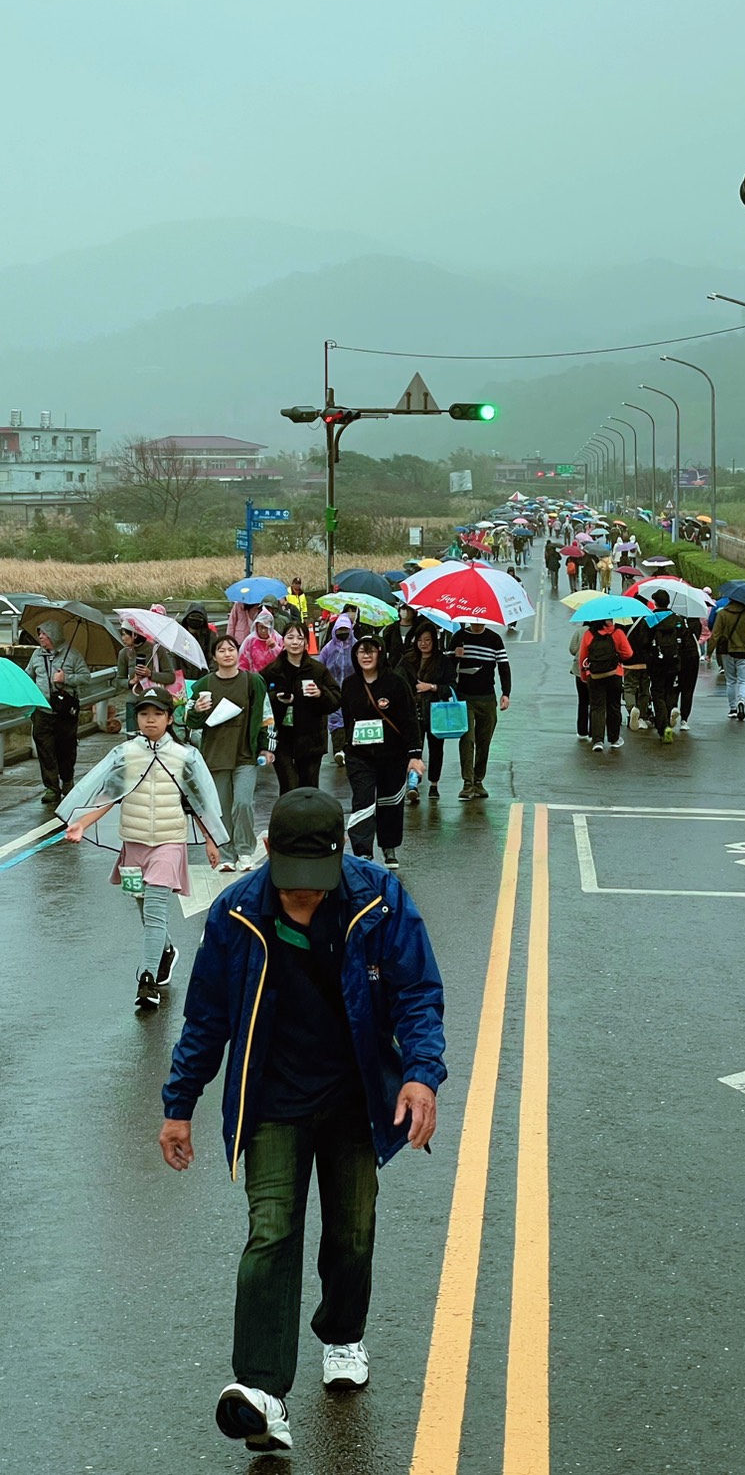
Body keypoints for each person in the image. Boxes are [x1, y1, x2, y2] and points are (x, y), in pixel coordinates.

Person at [159, 788, 446, 1455]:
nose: (304, 895)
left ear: (340, 857)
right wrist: (179, 1105)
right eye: (293, 881)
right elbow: (206, 1018)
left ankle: (342, 1333)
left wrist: (420, 1072)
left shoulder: (378, 899)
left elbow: (417, 992)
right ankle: (261, 1393)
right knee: (271, 1231)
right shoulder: (237, 912)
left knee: (351, 1231)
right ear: (269, 853)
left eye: (317, 882)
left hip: (354, 1098)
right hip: (273, 1101)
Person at [59, 689, 227, 1010]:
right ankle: (165, 951)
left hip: (168, 844)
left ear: (169, 718)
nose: (150, 720)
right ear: (136, 718)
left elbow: (200, 801)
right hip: (133, 846)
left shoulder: (185, 756)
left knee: (154, 910)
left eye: (157, 714)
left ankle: (147, 979)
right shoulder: (125, 753)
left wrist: (209, 839)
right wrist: (81, 823)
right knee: (141, 906)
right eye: (144, 714)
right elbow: (108, 795)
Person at [186, 636, 273, 872]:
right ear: (214, 656)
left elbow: (266, 716)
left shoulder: (252, 681)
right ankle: (226, 853)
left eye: (231, 649)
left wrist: (266, 747)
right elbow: (189, 721)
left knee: (243, 803)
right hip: (215, 754)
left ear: (238, 653)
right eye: (221, 650)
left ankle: (245, 850)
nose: (227, 654)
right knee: (221, 807)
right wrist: (196, 710)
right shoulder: (203, 685)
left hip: (246, 754)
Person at [340, 635, 423, 867]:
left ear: (380, 654)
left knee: (390, 802)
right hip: (360, 757)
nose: (366, 656)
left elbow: (409, 720)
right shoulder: (349, 684)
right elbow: (348, 719)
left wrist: (414, 755)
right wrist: (347, 746)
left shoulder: (396, 683)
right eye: (361, 652)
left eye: (371, 651)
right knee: (363, 802)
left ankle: (389, 847)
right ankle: (363, 851)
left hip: (392, 756)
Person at [262, 622, 341, 795]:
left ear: (306, 642)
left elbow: (336, 699)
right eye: (290, 637)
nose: (295, 642)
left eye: (300, 638)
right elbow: (261, 700)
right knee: (289, 788)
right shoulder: (272, 671)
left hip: (311, 740)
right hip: (281, 739)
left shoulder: (317, 670)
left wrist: (321, 694)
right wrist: (277, 698)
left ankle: (310, 822)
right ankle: (287, 822)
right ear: (283, 641)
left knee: (309, 791)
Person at [25, 621, 90, 804]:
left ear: (53, 634)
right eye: (39, 634)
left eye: (44, 634)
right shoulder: (36, 655)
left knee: (66, 749)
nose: (40, 637)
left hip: (64, 712)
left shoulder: (72, 655)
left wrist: (66, 678)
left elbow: (86, 677)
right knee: (45, 750)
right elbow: (28, 675)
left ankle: (67, 780)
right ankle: (51, 788)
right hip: (42, 711)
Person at [399, 620, 460, 800]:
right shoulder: (407, 659)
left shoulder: (442, 661)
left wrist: (432, 687)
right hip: (413, 712)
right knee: (413, 749)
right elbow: (396, 682)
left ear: (434, 641)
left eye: (427, 640)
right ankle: (413, 783)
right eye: (420, 640)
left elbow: (452, 687)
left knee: (436, 749)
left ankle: (434, 783)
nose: (423, 644)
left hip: (436, 712)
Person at [455, 621, 511, 800]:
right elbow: (446, 665)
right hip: (465, 697)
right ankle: (467, 782)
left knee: (483, 741)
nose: (477, 625)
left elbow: (503, 667)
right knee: (467, 739)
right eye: (474, 621)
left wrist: (506, 693)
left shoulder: (494, 639)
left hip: (487, 697)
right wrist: (455, 656)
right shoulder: (459, 637)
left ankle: (478, 780)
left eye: (481, 622)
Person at [578, 619, 631, 751]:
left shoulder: (588, 634)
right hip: (614, 674)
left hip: (595, 676)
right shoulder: (618, 633)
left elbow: (583, 657)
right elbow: (628, 653)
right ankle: (614, 738)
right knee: (614, 706)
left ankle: (597, 741)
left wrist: (585, 676)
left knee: (597, 707)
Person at [706, 598, 745, 720]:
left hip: (726, 651)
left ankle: (732, 709)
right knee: (744, 680)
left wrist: (709, 652)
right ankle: (742, 700)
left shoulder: (722, 613)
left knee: (731, 681)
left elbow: (715, 635)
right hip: (744, 650)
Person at [641, 591, 684, 743]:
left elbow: (643, 642)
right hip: (673, 663)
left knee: (657, 693)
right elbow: (683, 639)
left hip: (656, 664)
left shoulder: (650, 620)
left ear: (656, 603)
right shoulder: (677, 619)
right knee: (669, 691)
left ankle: (663, 726)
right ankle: (671, 712)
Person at [319, 615, 356, 766]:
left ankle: (349, 748)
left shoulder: (356, 646)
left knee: (350, 718)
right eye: (339, 629)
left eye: (345, 630)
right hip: (333, 690)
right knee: (335, 720)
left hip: (352, 690)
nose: (342, 632)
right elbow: (320, 667)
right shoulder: (328, 649)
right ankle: (338, 750)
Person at [676, 613, 702, 731]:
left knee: (673, 687)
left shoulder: (673, 619)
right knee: (688, 689)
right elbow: (697, 636)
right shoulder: (695, 621)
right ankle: (684, 720)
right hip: (691, 656)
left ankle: (672, 709)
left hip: (675, 656)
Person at [238, 609, 284, 675]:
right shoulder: (250, 640)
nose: (263, 631)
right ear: (256, 626)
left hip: (275, 676)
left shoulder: (277, 638)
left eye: (266, 628)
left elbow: (284, 658)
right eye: (261, 627)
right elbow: (243, 661)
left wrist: (275, 647)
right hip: (256, 677)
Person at [178, 603, 216, 672]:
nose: (195, 621)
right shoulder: (179, 634)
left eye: (199, 618)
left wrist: (210, 675)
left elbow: (213, 657)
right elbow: (173, 656)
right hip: (183, 675)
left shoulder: (209, 635)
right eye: (193, 617)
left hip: (204, 675)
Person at [382, 603, 419, 669]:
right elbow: (385, 646)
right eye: (403, 609)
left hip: (412, 666)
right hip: (393, 666)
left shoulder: (418, 629)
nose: (405, 611)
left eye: (408, 609)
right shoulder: (391, 628)